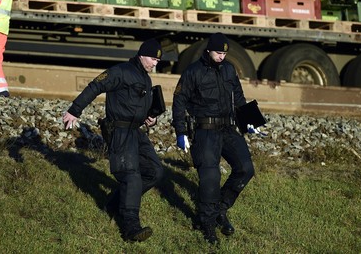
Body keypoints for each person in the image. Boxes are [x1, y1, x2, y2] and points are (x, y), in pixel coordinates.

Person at [62, 39, 165, 243]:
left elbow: (137, 106)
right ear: (142, 55)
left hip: (136, 132)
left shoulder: (145, 78)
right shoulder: (120, 71)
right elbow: (95, 85)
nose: (156, 64)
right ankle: (130, 227)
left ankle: (114, 204)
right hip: (120, 131)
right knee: (131, 176)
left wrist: (149, 117)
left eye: (157, 60)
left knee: (155, 171)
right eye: (153, 59)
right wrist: (75, 110)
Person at [172, 32, 255, 245]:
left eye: (224, 54)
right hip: (204, 131)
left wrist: (249, 121)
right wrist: (180, 132)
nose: (222, 57)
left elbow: (238, 96)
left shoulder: (228, 69)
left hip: (228, 128)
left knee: (246, 168)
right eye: (218, 53)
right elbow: (179, 101)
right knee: (210, 177)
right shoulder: (193, 72)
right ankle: (206, 223)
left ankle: (220, 209)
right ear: (208, 50)